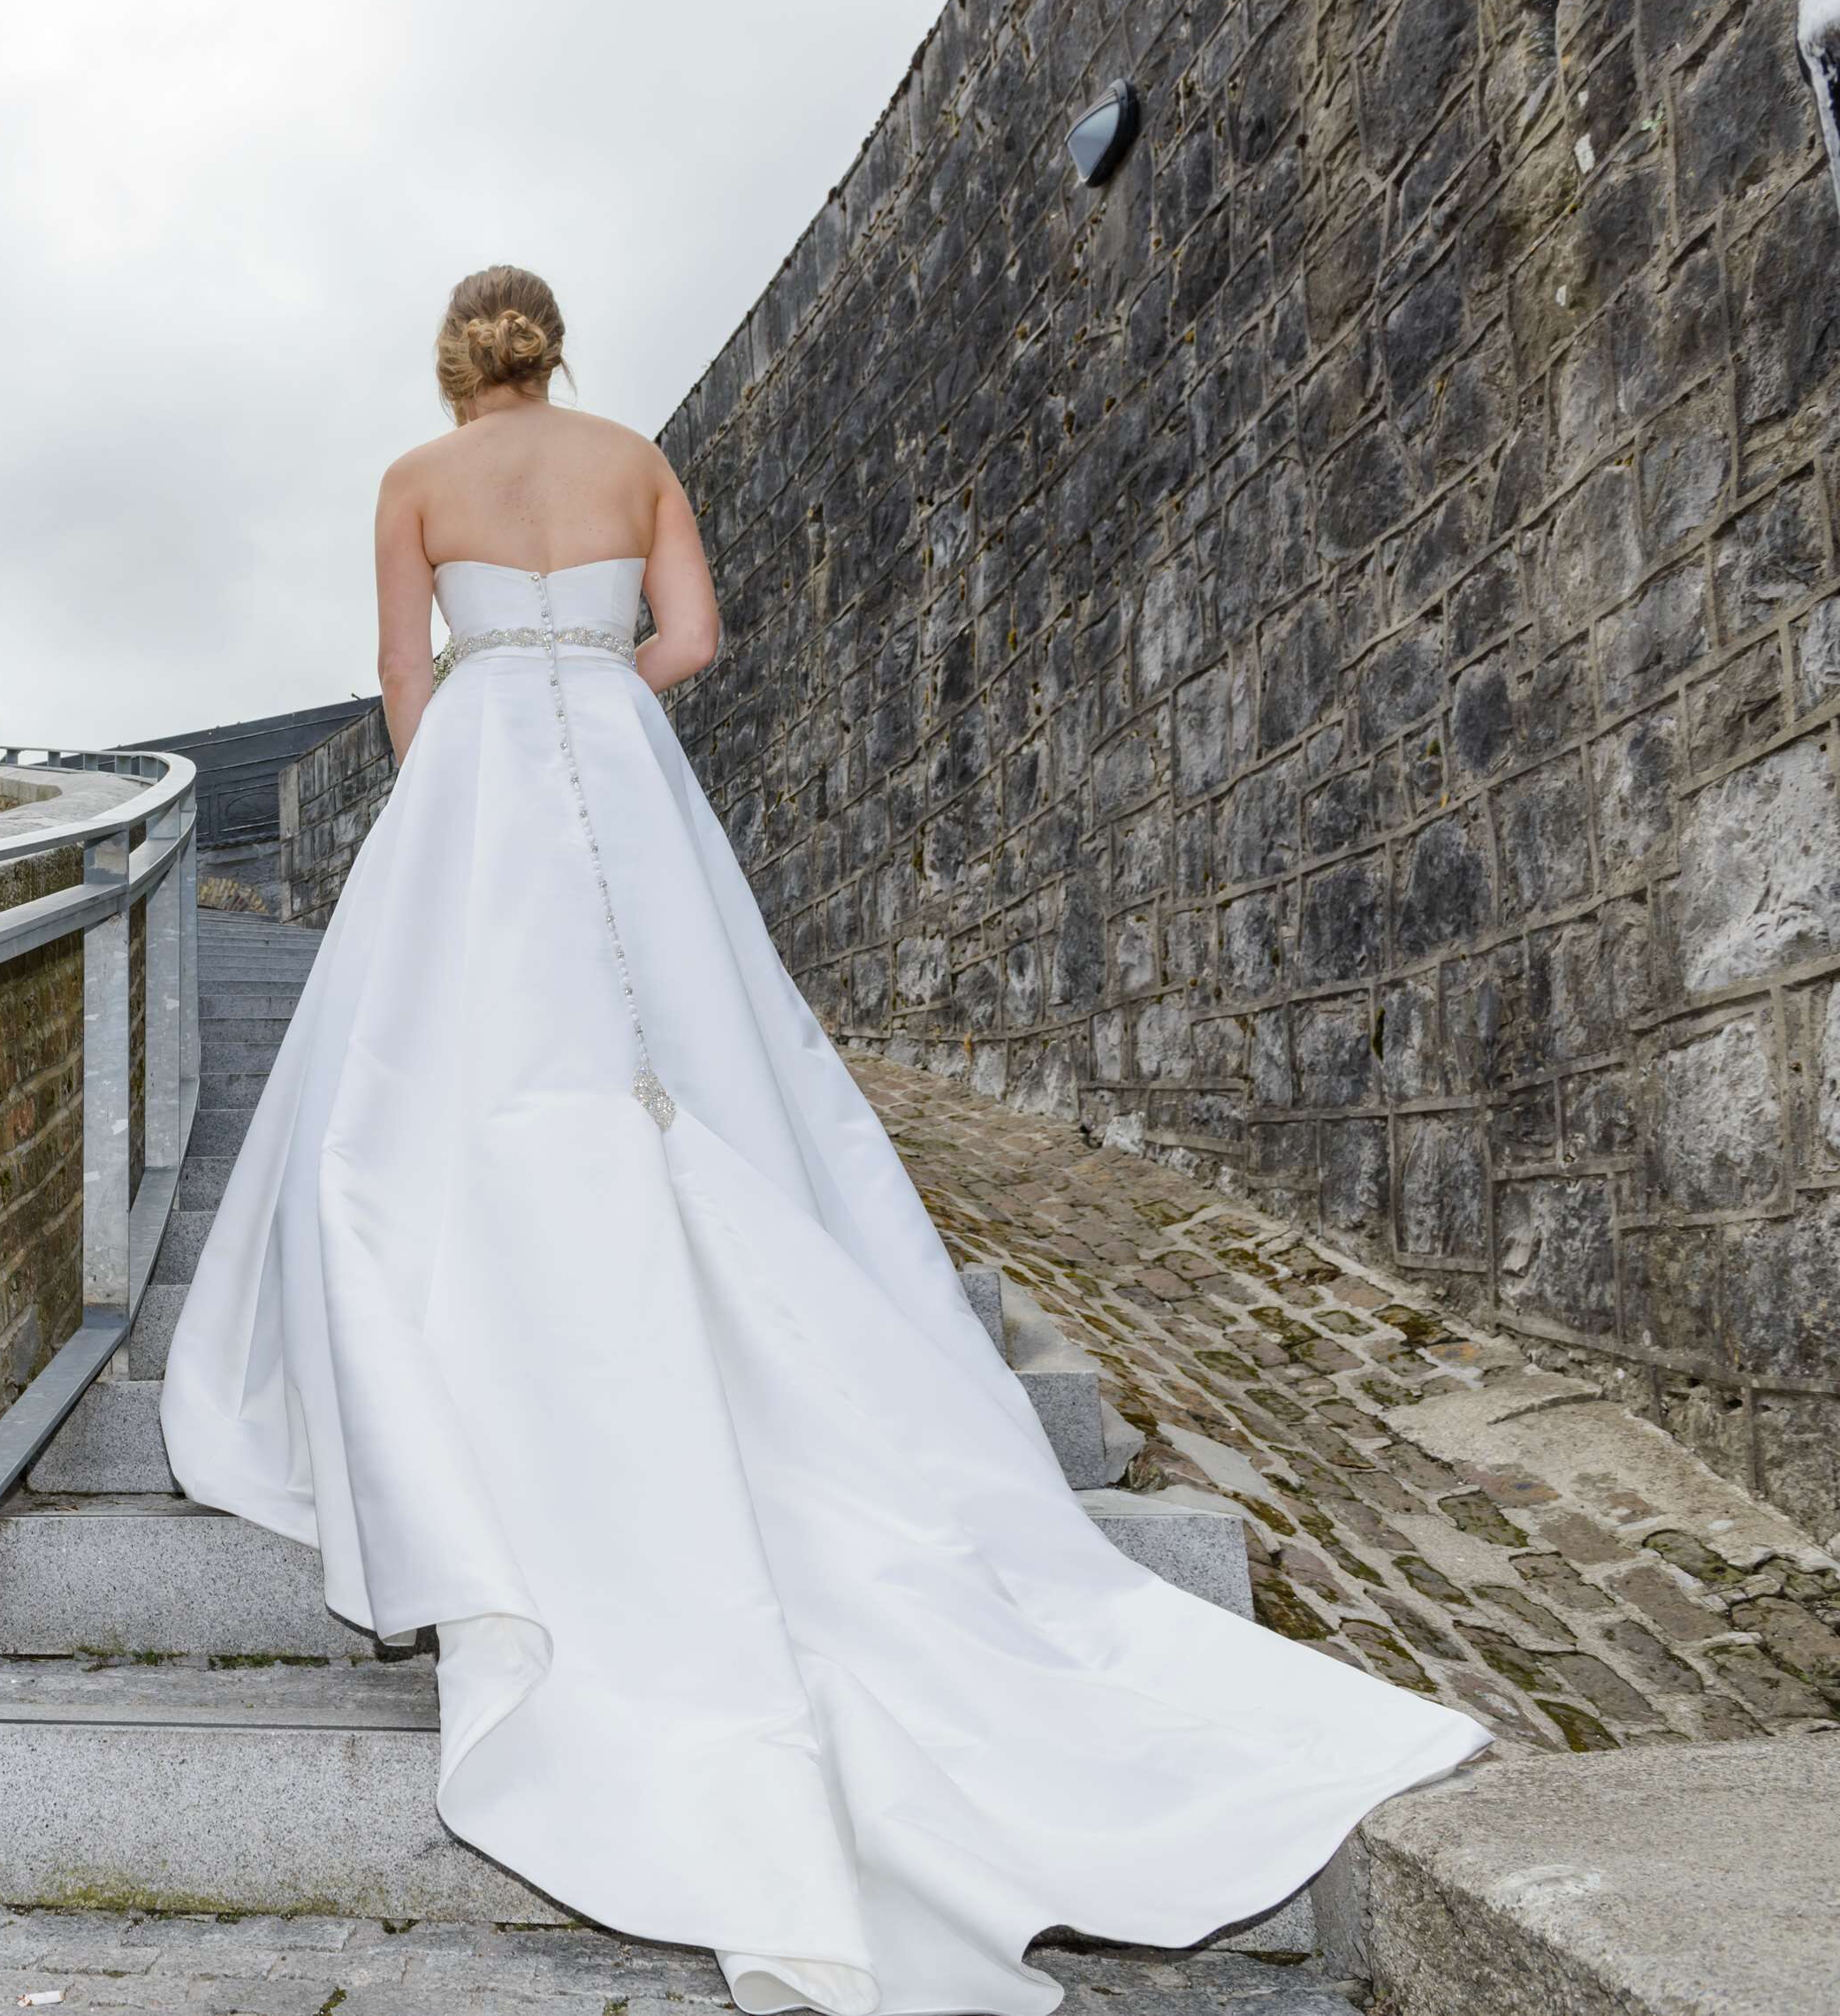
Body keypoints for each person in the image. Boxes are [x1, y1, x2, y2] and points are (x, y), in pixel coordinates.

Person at [156, 266, 1486, 2016]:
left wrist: (469, 771)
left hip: (483, 753)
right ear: (551, 343)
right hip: (620, 755)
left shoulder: (414, 480)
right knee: (707, 1048)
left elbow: (407, 678)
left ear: (451, 360)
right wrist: (595, 681)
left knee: (450, 1063)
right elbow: (692, 644)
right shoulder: (634, 459)